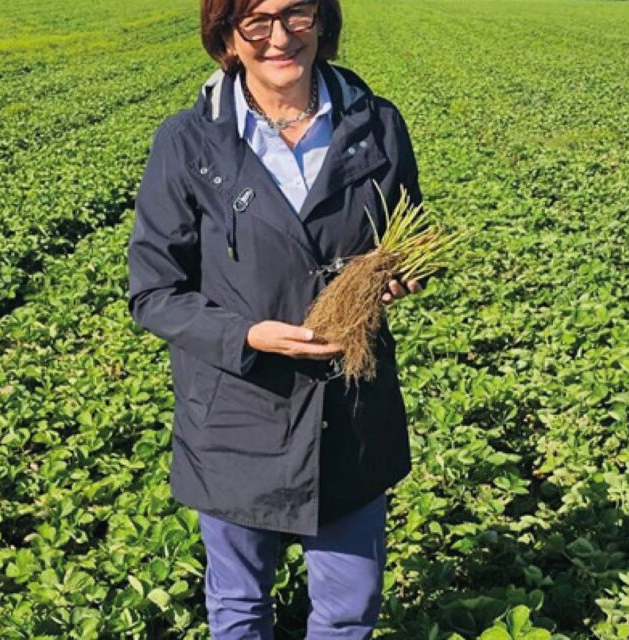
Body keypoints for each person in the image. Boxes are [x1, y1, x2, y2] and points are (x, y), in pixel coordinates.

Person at [126, 0, 425, 636]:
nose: (280, 37)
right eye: (257, 21)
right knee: (239, 605)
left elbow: (409, 235)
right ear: (227, 36)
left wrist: (396, 278)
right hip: (237, 417)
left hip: (350, 412)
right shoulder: (188, 142)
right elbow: (154, 292)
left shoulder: (378, 125)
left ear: (323, 19)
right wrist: (247, 335)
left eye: (296, 13)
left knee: (349, 610)